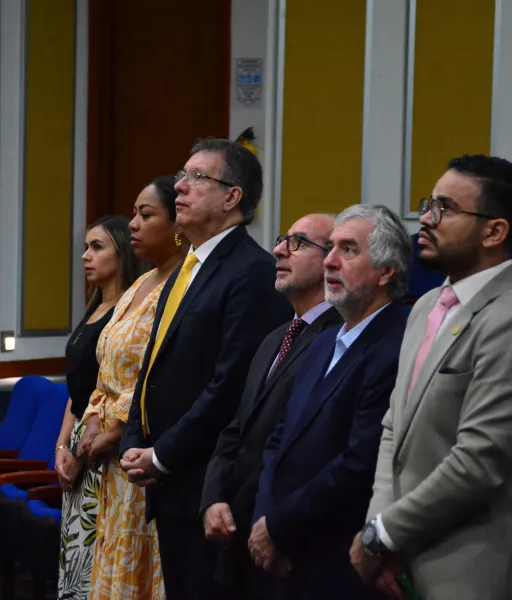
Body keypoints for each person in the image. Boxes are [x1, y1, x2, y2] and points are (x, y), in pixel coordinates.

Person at [350, 155, 512, 600]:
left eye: (445, 208)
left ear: (494, 232)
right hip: (402, 556)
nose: (426, 219)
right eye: (429, 204)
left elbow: (478, 463)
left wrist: (384, 534)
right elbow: (393, 429)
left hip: (473, 570)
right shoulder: (426, 307)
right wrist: (379, 527)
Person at [120, 139, 293, 600]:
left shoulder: (252, 271)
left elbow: (231, 385)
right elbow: (153, 363)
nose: (179, 186)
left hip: (207, 487)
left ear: (232, 197)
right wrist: (134, 438)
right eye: (182, 175)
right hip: (168, 482)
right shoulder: (187, 266)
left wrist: (162, 454)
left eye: (197, 177)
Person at [249, 205, 410, 600]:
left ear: (386, 271)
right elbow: (278, 440)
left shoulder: (399, 346)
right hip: (285, 551)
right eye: (331, 248)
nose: (330, 261)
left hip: (338, 560)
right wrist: (264, 521)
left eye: (348, 250)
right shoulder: (322, 342)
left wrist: (279, 528)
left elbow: (359, 464)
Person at [200, 213, 342, 599]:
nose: (278, 250)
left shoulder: (338, 340)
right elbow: (237, 429)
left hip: (287, 543)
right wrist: (213, 498)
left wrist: (275, 523)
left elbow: (311, 451)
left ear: (332, 259)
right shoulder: (273, 338)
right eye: (283, 239)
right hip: (235, 539)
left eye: (298, 243)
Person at [69, 175, 189, 600]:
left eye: (145, 214)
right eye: (133, 214)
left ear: (177, 224)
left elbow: (158, 372)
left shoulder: (183, 285)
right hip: (106, 459)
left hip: (138, 453)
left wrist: (117, 428)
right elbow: (104, 366)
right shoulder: (141, 283)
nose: (133, 224)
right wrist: (91, 423)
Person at [54, 215, 143, 599]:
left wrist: (79, 452)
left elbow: (112, 388)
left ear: (122, 253)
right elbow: (77, 390)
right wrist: (62, 445)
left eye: (96, 247)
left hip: (102, 444)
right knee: (75, 563)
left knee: (94, 568)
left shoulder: (127, 314)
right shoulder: (95, 308)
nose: (85, 256)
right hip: (79, 439)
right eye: (85, 247)